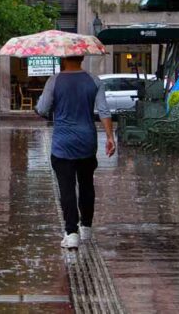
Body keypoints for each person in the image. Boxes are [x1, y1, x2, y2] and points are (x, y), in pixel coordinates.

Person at [36, 55, 115, 249]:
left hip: (62, 144)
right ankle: (86, 227)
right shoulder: (94, 81)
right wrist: (110, 137)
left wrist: (46, 104)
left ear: (63, 59)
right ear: (82, 57)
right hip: (87, 142)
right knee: (87, 184)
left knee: (67, 188)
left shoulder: (54, 81)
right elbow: (104, 111)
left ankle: (71, 232)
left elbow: (42, 108)